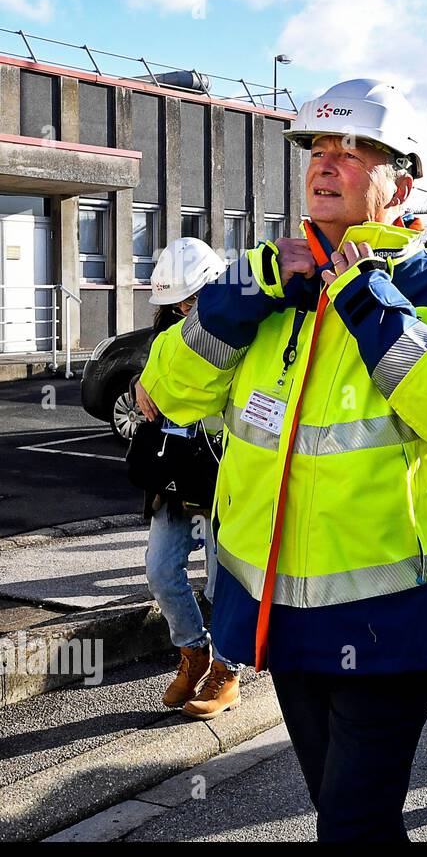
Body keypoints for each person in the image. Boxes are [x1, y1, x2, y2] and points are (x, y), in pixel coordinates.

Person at [138, 78, 427, 842]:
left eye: (353, 152)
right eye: (317, 148)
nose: (326, 164)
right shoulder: (263, 282)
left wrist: (373, 307)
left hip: (387, 624)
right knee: (347, 817)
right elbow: (166, 393)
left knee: (350, 826)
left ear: (400, 184)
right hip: (277, 619)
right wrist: (236, 298)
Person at [133, 237, 240, 718]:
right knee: (160, 569)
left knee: (224, 587)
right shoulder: (166, 341)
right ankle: (194, 653)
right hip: (176, 481)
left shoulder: (245, 336)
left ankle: (228, 672)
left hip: (228, 482)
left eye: (192, 299)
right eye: (177, 302)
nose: (183, 309)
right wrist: (142, 383)